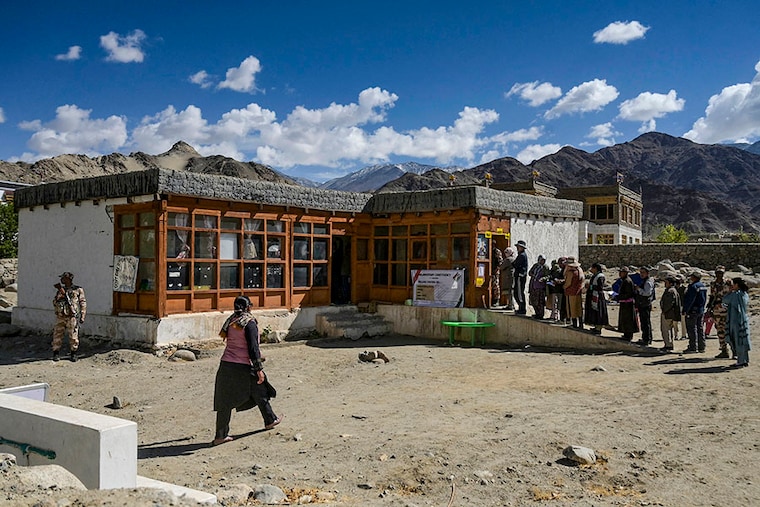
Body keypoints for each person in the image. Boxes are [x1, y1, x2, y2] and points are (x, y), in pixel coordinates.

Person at [213, 295, 281, 446]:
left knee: (225, 400)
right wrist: (259, 369)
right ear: (249, 307)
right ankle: (270, 419)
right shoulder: (249, 323)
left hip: (226, 364)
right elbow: (253, 348)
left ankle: (220, 436)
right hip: (243, 366)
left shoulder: (231, 321)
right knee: (261, 388)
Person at [52, 272, 87, 362]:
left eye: (63, 278)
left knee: (73, 336)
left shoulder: (78, 289)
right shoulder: (61, 290)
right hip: (61, 316)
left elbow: (82, 302)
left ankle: (73, 353)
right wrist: (59, 297)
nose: (61, 280)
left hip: (72, 316)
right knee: (57, 335)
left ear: (68, 279)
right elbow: (54, 302)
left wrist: (83, 315)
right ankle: (56, 353)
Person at [723, 277, 751, 368]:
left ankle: (740, 361)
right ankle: (745, 359)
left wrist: (730, 291)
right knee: (743, 339)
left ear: (736, 285)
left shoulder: (735, 295)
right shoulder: (744, 294)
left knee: (737, 340)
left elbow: (725, 301)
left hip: (735, 320)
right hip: (743, 319)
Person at [708, 266, 733, 358]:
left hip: (727, 309)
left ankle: (734, 351)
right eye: (718, 273)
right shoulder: (713, 284)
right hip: (717, 310)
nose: (719, 275)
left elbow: (732, 295)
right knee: (720, 330)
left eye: (721, 273)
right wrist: (710, 307)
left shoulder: (728, 282)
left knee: (730, 330)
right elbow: (712, 296)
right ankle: (724, 350)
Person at [682, 271, 708, 353]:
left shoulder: (693, 287)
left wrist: (685, 310)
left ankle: (693, 346)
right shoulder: (703, 286)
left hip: (693, 310)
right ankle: (701, 346)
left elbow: (690, 300)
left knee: (691, 328)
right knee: (700, 328)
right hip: (700, 310)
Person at [615, 266, 639, 341]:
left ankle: (628, 335)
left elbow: (628, 294)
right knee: (625, 319)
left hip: (628, 304)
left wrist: (618, 297)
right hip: (624, 303)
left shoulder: (627, 281)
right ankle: (626, 334)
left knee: (628, 320)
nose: (620, 274)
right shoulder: (624, 281)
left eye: (621, 272)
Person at [584, 263, 608, 334]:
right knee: (595, 312)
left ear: (595, 268)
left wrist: (590, 287)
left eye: (592, 268)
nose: (591, 269)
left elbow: (600, 288)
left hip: (598, 297)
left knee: (598, 312)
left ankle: (598, 328)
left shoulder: (600, 277)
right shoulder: (595, 276)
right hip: (593, 296)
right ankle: (596, 327)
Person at [634, 267, 655, 346]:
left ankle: (646, 339)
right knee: (645, 322)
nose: (641, 274)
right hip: (643, 304)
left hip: (645, 305)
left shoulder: (648, 282)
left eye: (643, 272)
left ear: (647, 273)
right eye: (640, 272)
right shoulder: (645, 281)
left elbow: (647, 293)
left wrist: (639, 289)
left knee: (645, 323)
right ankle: (646, 338)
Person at [659, 277, 681, 352]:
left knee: (666, 329)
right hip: (671, 313)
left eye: (666, 282)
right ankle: (669, 344)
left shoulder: (670, 291)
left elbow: (669, 303)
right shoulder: (673, 290)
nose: (665, 284)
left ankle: (668, 345)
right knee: (669, 329)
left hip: (668, 313)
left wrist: (664, 311)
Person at [562, 256, 584, 328]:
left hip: (571, 292)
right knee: (579, 308)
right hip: (578, 292)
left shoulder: (570, 273)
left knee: (572, 308)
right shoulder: (579, 271)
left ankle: (574, 324)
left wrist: (564, 287)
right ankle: (580, 324)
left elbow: (568, 283)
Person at [512, 240, 528, 315]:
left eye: (519, 247)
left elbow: (515, 264)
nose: (517, 248)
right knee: (517, 292)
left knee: (519, 293)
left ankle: (522, 308)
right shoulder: (520, 255)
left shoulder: (522, 255)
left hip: (520, 276)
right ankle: (521, 307)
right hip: (519, 276)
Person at [674, 275, 687, 340]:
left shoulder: (684, 289)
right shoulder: (673, 289)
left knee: (683, 322)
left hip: (682, 306)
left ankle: (684, 335)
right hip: (675, 307)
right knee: (675, 322)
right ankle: (676, 335)